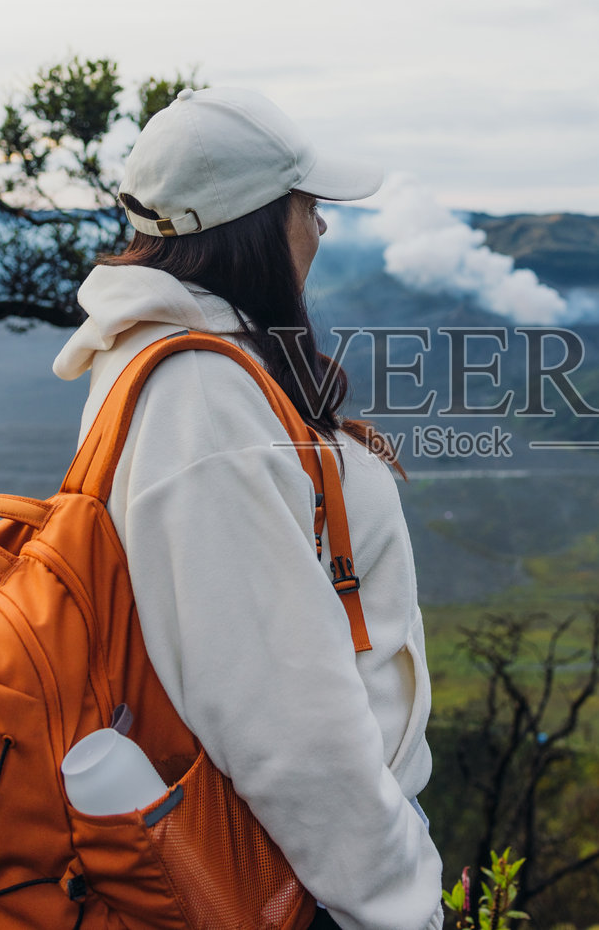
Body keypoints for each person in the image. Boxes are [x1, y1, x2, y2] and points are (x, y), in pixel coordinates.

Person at [51, 86, 444, 930]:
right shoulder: (201, 401)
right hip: (301, 875)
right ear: (261, 226)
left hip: (308, 858)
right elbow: (281, 713)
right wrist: (398, 902)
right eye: (307, 206)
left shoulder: (189, 362)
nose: (322, 228)